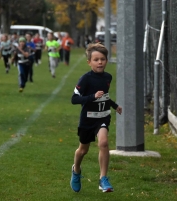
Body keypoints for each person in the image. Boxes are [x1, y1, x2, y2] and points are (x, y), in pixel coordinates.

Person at [70, 43, 122, 193]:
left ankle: (103, 179)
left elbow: (104, 96)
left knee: (104, 143)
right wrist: (92, 97)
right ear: (89, 62)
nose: (100, 62)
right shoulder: (85, 79)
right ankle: (76, 170)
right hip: (88, 119)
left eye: (103, 59)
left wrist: (114, 105)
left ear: (106, 60)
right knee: (83, 150)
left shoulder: (108, 77)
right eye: (96, 59)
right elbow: (74, 99)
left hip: (103, 117)